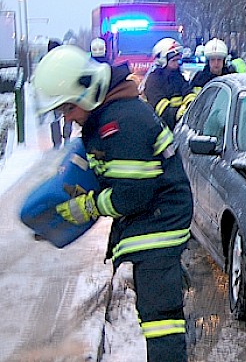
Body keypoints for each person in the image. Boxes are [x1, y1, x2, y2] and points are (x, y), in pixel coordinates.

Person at [33, 45, 193, 361]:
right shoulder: (112, 116)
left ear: (86, 92)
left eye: (68, 109)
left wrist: (88, 207)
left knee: (162, 323)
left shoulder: (120, 122)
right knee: (157, 316)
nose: (69, 118)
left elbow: (131, 196)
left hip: (157, 228)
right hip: (154, 222)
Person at [142, 37, 192, 130]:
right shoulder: (153, 81)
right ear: (163, 61)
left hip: (179, 127)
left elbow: (188, 92)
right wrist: (178, 113)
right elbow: (161, 109)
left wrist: (191, 106)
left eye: (178, 60)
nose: (177, 63)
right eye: (174, 60)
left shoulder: (178, 77)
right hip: (161, 129)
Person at [44, 39, 73, 149]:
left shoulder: (46, 62)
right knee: (67, 115)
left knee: (55, 119)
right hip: (65, 92)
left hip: (54, 94)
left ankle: (57, 143)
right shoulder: (65, 60)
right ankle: (67, 138)